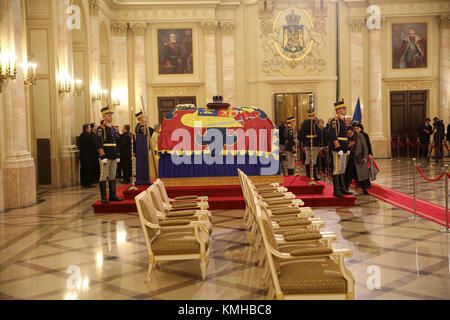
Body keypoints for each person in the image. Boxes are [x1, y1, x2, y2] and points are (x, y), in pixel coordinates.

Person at [96, 106, 123, 203]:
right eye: (108, 115)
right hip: (106, 155)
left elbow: (116, 142)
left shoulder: (112, 128)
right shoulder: (101, 129)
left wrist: (117, 154)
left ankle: (113, 195)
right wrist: (102, 156)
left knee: (112, 175)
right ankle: (104, 197)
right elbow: (99, 143)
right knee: (104, 175)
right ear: (103, 116)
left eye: (111, 115)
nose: (110, 117)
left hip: (113, 155)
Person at [329, 100, 353, 198]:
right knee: (337, 169)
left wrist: (346, 147)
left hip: (343, 147)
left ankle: (343, 188)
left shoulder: (342, 121)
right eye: (343, 108)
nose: (345, 110)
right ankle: (336, 190)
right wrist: (338, 147)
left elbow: (344, 136)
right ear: (338, 110)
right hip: (337, 148)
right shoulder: (334, 121)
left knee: (342, 168)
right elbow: (334, 136)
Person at [345, 126, 370, 195]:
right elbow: (344, 146)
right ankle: (346, 188)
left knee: (360, 175)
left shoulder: (360, 136)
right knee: (349, 174)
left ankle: (364, 189)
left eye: (350, 133)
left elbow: (365, 147)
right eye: (348, 134)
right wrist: (349, 145)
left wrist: (365, 157)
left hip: (359, 158)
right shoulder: (346, 137)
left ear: (353, 131)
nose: (349, 135)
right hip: (350, 158)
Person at [299, 108, 322, 181]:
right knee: (314, 160)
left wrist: (303, 142)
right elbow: (319, 133)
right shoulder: (315, 122)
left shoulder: (304, 123)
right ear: (313, 114)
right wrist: (320, 143)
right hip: (314, 143)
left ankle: (308, 175)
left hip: (307, 143)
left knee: (307, 159)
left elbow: (301, 133)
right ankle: (314, 176)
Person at [353, 123, 373, 188]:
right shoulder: (354, 135)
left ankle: (367, 183)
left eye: (357, 129)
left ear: (361, 129)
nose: (356, 130)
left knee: (365, 170)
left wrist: (369, 154)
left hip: (364, 154)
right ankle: (359, 183)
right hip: (357, 155)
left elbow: (368, 145)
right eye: (355, 129)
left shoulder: (365, 135)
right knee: (358, 170)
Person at [78, 124, 97, 188]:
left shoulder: (81, 136)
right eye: (89, 128)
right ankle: (88, 183)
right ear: (87, 129)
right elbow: (94, 145)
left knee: (83, 169)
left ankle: (83, 183)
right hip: (90, 156)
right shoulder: (90, 136)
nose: (90, 129)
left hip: (82, 156)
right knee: (88, 170)